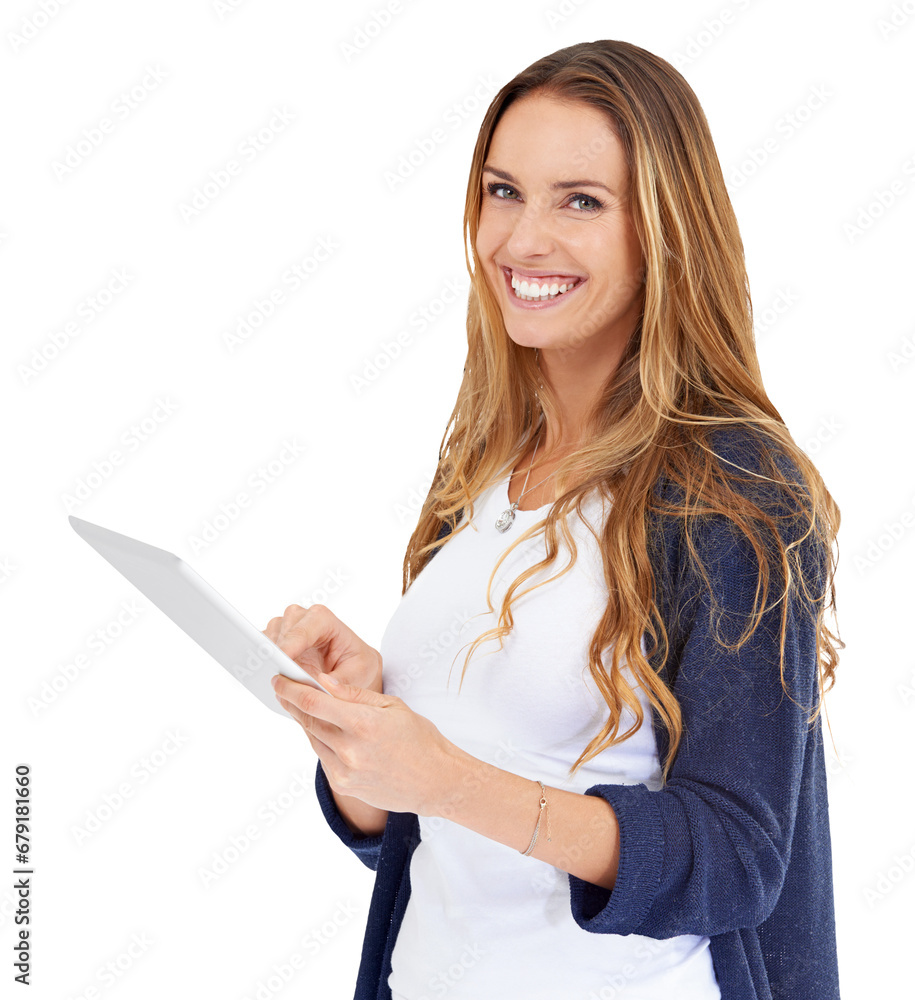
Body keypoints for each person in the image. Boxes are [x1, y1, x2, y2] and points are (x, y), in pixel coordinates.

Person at [265, 39, 842, 1000]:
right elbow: (440, 845)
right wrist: (364, 743)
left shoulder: (734, 487)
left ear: (662, 230)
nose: (520, 240)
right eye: (502, 191)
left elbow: (739, 861)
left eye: (580, 200)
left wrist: (446, 777)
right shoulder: (482, 466)